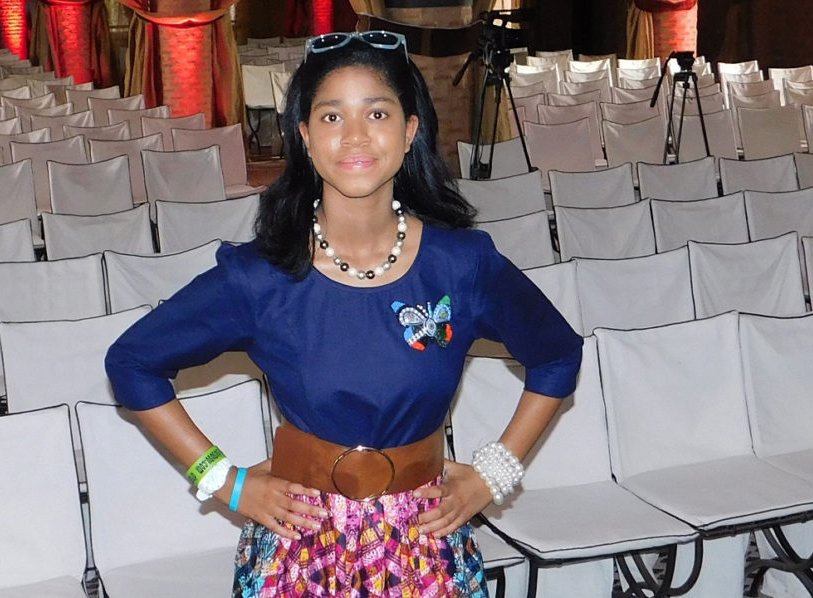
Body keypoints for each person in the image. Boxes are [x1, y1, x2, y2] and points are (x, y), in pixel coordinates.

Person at [105, 30, 583, 597]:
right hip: (299, 545)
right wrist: (226, 483)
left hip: (425, 546)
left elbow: (557, 355)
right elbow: (132, 363)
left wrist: (492, 476)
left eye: (377, 113)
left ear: (410, 131)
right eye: (332, 117)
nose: (355, 135)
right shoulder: (260, 278)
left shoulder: (462, 265)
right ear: (305, 137)